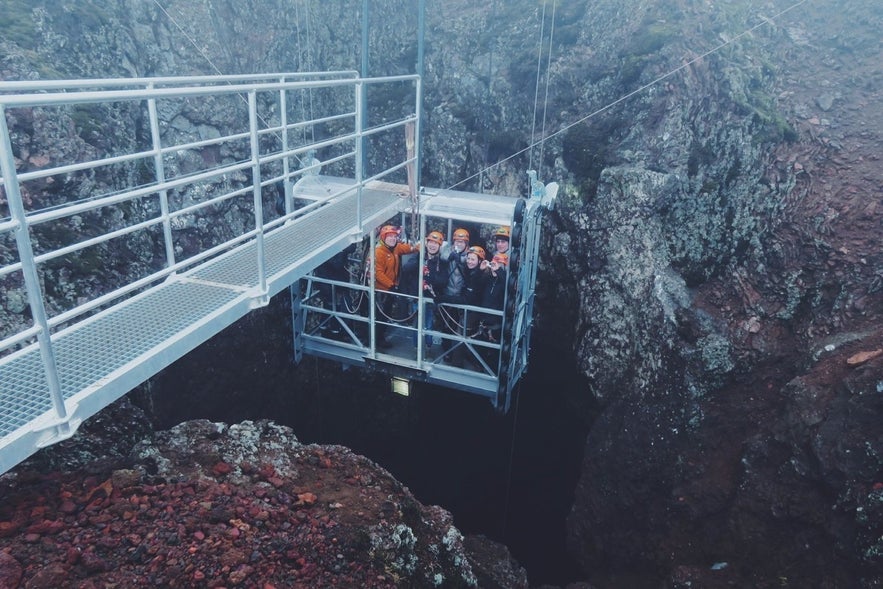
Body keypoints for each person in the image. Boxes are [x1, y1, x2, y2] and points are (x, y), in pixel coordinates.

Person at [437, 245, 489, 366]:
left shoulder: (480, 275)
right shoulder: (472, 272)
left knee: (460, 335)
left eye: (473, 259)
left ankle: (457, 362)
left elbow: (467, 299)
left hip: (473, 312)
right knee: (465, 335)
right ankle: (469, 360)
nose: (469, 262)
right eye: (468, 258)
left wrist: (444, 298)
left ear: (480, 261)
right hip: (470, 310)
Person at [400, 230, 450, 348]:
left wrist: (430, 275)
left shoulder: (441, 262)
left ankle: (428, 346)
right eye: (430, 242)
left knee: (428, 323)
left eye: (436, 243)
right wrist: (419, 261)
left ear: (439, 246)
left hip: (431, 297)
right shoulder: (419, 256)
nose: (432, 246)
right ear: (426, 243)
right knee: (417, 323)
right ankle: (417, 347)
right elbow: (406, 268)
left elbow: (443, 281)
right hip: (417, 296)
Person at [373, 224, 418, 347]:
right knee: (380, 317)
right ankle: (376, 341)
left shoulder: (395, 248)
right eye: (390, 237)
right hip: (381, 291)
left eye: (394, 236)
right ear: (383, 238)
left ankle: (380, 338)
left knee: (385, 315)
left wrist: (422, 246)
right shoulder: (378, 252)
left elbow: (408, 248)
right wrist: (391, 285)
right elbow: (378, 273)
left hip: (390, 289)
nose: (393, 239)